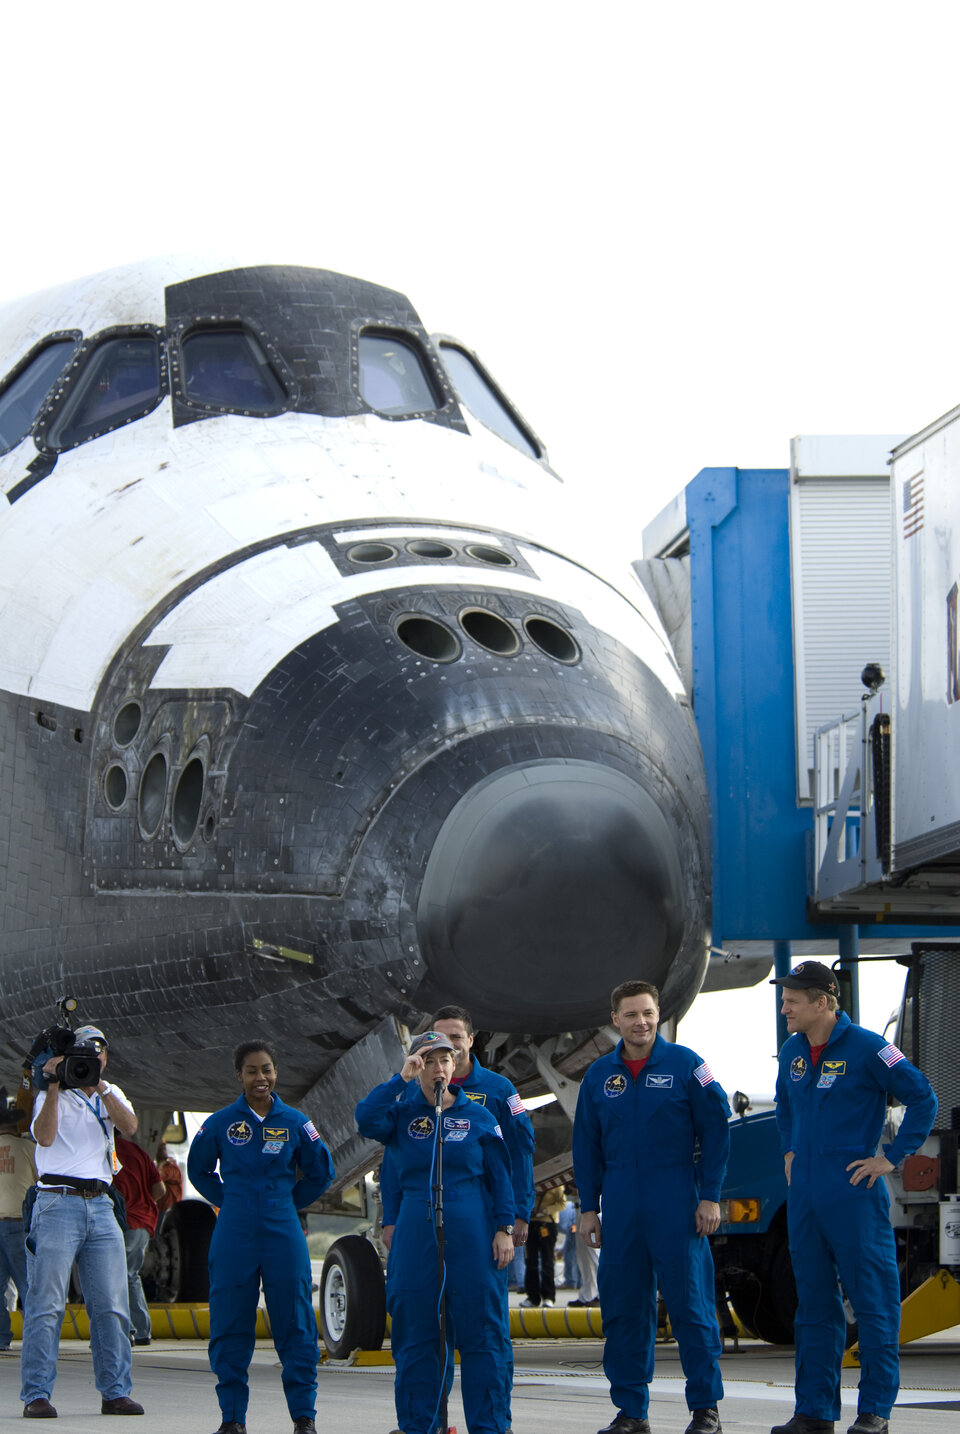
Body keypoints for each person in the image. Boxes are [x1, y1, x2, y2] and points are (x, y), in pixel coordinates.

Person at [768, 961, 938, 1434]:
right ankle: (815, 1412)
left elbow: (923, 1098)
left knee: (874, 1304)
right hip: (804, 1196)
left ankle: (874, 1413)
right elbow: (785, 1104)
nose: (785, 1007)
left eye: (792, 1000)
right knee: (814, 1307)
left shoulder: (870, 1048)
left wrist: (892, 1157)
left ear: (822, 1001)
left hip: (854, 1192)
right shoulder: (792, 1051)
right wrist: (788, 1149)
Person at [573, 980, 730, 1434]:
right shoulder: (599, 1076)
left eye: (647, 1013)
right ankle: (631, 1412)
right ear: (615, 1020)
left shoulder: (688, 1066)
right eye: (631, 1015)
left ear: (658, 1015)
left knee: (691, 1307)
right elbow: (586, 1146)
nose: (640, 1022)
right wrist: (588, 1207)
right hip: (620, 1207)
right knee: (624, 1309)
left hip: (677, 1203)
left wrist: (710, 1195)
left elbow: (717, 1131)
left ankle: (705, 1410)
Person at [356, 1031, 515, 1434]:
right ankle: (420, 1426)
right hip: (416, 1225)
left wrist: (504, 1228)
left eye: (446, 1059)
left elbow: (501, 1177)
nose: (438, 1068)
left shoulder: (479, 1116)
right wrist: (400, 1080)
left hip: (473, 1226)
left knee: (484, 1334)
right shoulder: (400, 1116)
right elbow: (365, 1118)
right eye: (429, 1060)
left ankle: (491, 1426)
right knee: (416, 1335)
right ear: (418, 1067)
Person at [188, 1041, 334, 1434]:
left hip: (281, 1228)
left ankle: (304, 1417)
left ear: (276, 1072)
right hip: (234, 1229)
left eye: (267, 1069)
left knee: (295, 1322)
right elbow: (198, 1170)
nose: (261, 1078)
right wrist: (232, 1201)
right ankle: (232, 1418)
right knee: (230, 1322)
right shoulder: (219, 1123)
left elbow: (321, 1172)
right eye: (252, 1071)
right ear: (239, 1075)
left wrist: (286, 1202)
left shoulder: (296, 1123)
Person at [19, 1023, 144, 1418]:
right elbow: (44, 1137)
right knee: (47, 1303)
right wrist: (54, 1085)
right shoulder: (50, 1091)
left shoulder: (111, 1092)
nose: (92, 1057)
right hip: (57, 1201)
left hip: (101, 1205)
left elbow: (130, 1128)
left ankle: (115, 1392)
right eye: (85, 1050)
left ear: (105, 1056)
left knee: (111, 1305)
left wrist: (101, 1087)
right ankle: (36, 1394)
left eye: (99, 1050)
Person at [379, 1004, 535, 1250]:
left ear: (471, 1040)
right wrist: (391, 1218)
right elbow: (394, 1157)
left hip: (482, 1210)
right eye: (442, 1037)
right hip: (423, 1210)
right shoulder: (413, 1089)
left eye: (456, 1037)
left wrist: (519, 1213)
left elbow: (519, 1152)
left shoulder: (499, 1090)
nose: (449, 1043)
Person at [113, 1136, 164, 1346]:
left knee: (114, 1276)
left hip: (121, 1221)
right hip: (143, 1221)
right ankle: (141, 1330)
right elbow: (160, 1190)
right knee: (130, 1275)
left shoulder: (103, 1149)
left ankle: (126, 1330)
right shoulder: (138, 1151)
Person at [0, 1091, 36, 1353]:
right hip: (19, 1223)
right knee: (28, 1286)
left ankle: (1, 1337)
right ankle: (37, 1339)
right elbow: (41, 1183)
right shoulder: (28, 1148)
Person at [521, 1184, 566, 1307]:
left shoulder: (556, 1184)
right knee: (531, 1261)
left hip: (548, 1223)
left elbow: (562, 1203)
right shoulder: (531, 1181)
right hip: (531, 1223)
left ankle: (549, 1296)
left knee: (547, 1260)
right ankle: (532, 1297)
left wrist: (546, 1211)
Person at [154, 1143, 183, 1213]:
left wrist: (161, 1163)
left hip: (167, 1211)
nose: (158, 1152)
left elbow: (157, 1176)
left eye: (162, 1149)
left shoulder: (172, 1168)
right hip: (162, 1210)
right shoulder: (166, 1167)